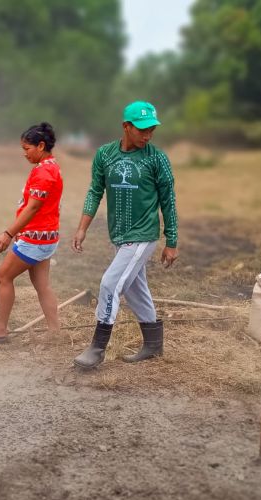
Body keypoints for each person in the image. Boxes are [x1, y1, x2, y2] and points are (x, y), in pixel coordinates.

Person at [72, 101, 178, 368]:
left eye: (152, 129)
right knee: (133, 288)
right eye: (142, 129)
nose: (148, 135)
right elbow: (95, 191)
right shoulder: (105, 155)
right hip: (119, 235)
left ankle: (97, 349)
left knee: (110, 284)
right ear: (126, 127)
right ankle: (153, 345)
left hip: (143, 234)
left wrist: (171, 241)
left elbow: (169, 201)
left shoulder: (157, 158)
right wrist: (82, 228)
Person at [0, 122, 63, 343]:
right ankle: (55, 331)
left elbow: (33, 207)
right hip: (47, 237)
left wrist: (8, 233)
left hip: (35, 238)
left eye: (27, 149)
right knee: (42, 285)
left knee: (3, 276)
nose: (24, 154)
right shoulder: (52, 167)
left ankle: (0, 327)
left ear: (40, 145)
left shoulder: (44, 172)